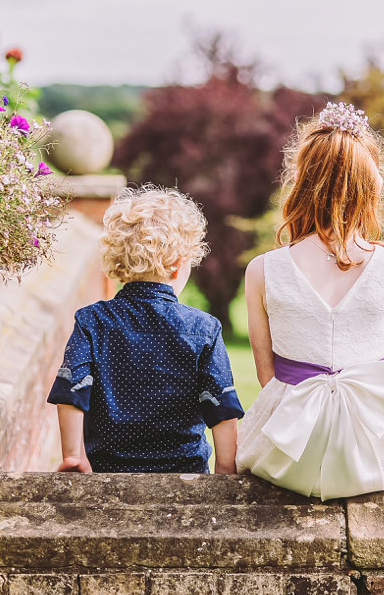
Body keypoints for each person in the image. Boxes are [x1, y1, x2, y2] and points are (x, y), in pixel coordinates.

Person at [236, 103, 384, 500]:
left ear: (300, 181)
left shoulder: (261, 269)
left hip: (283, 449)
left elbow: (266, 375)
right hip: (375, 451)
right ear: (372, 186)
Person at [49, 188, 243, 474]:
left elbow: (71, 390)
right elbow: (221, 406)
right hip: (184, 475)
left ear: (116, 262)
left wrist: (73, 455)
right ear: (178, 266)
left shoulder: (93, 320)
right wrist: (226, 467)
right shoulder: (203, 329)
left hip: (108, 473)